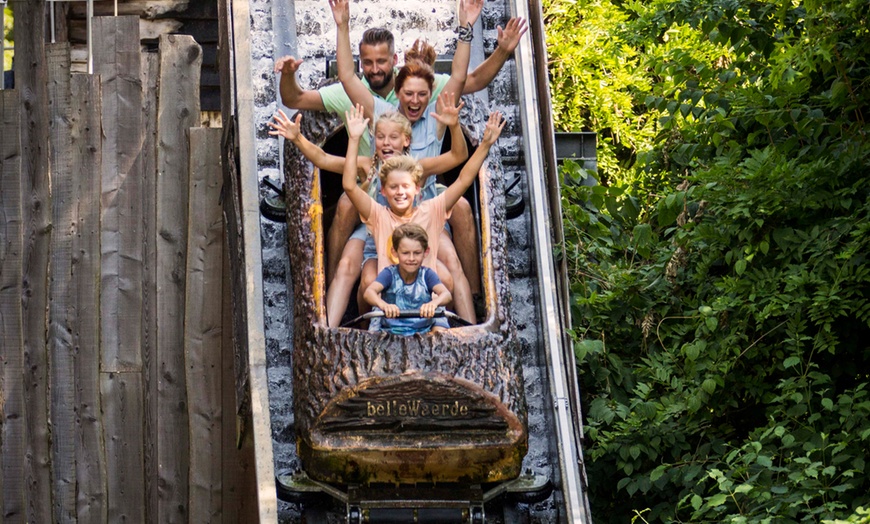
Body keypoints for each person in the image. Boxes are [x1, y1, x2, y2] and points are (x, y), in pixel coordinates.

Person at [275, 4, 527, 297]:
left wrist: (473, 35)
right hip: (378, 211)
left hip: (422, 214)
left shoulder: (430, 119)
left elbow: (463, 81)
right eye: (408, 95)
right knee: (348, 214)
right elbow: (342, 82)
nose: (415, 99)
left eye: (421, 94)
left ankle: (475, 302)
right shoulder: (375, 117)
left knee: (454, 236)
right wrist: (341, 25)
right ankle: (326, 297)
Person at [268, 92, 467, 327]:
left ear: (406, 140)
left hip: (415, 229)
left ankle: (464, 326)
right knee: (351, 268)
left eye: (393, 137)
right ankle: (331, 327)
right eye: (380, 137)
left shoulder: (415, 168)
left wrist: (454, 126)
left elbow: (458, 156)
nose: (386, 143)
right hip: (374, 229)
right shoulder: (367, 164)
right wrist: (298, 137)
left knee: (449, 268)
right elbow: (323, 159)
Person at [341, 104, 505, 326]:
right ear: (383, 191)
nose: (400, 193)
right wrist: (353, 140)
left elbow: (464, 179)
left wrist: (485, 144)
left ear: (417, 189)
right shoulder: (379, 216)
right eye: (394, 188)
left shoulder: (432, 210)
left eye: (406, 187)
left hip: (428, 308)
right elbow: (350, 186)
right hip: (390, 310)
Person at [363, 223, 451, 335]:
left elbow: (446, 294)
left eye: (417, 253)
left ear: (426, 252)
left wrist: (433, 304)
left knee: (440, 309)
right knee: (377, 310)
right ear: (394, 252)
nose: (411, 258)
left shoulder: (427, 275)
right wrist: (384, 305)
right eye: (405, 253)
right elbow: (369, 293)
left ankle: (438, 344)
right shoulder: (389, 274)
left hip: (423, 328)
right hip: (392, 329)